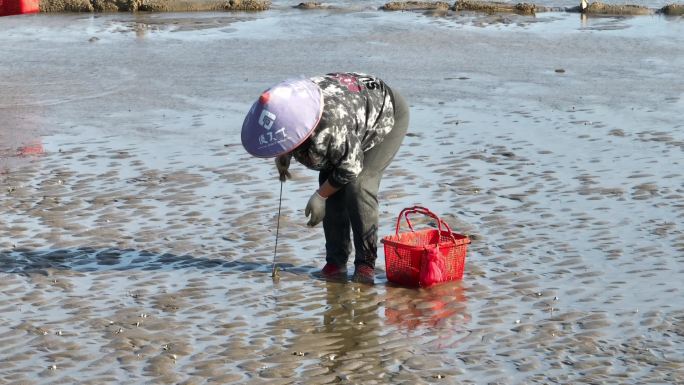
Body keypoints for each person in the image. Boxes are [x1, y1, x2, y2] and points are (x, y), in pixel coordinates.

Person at [241, 72, 409, 285]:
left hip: (384, 114)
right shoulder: (289, 104)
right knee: (332, 184)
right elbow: (287, 128)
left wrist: (320, 196)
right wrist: (284, 154)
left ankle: (365, 264)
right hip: (352, 118)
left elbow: (351, 166)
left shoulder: (329, 124)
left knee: (358, 186)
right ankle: (336, 263)